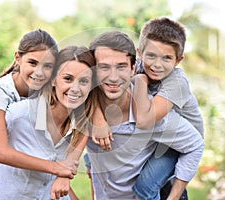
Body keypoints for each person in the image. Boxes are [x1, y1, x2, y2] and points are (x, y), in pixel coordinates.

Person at [0, 29, 74, 199]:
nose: (39, 72)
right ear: (18, 58)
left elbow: (86, 104)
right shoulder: (0, 91)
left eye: (47, 66)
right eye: (33, 63)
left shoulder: (49, 90)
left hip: (28, 158)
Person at [86, 30, 204, 199]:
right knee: (91, 160)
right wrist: (97, 118)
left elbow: (195, 144)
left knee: (146, 188)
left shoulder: (158, 109)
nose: (113, 77)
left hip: (172, 155)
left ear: (133, 68)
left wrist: (174, 196)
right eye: (104, 67)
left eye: (121, 66)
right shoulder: (82, 103)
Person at [0, 45, 96, 199]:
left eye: (84, 81)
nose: (75, 88)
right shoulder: (18, 114)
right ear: (53, 79)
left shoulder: (81, 124)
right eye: (68, 79)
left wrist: (63, 175)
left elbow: (67, 167)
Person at [132, 17, 204, 200]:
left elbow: (144, 120)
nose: (157, 64)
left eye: (167, 58)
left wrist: (140, 81)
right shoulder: (135, 66)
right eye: (151, 56)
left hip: (181, 146)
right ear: (139, 53)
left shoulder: (177, 82)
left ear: (178, 60)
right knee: (157, 184)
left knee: (145, 187)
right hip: (159, 137)